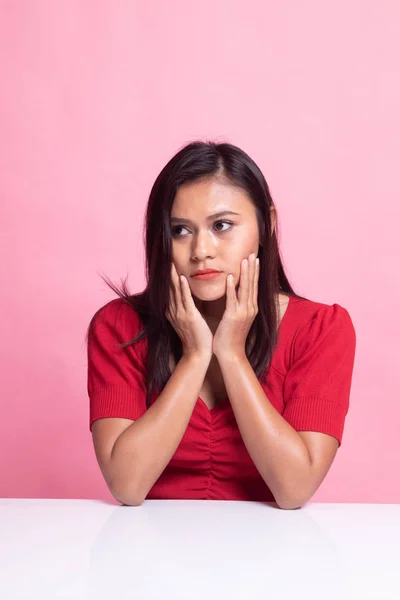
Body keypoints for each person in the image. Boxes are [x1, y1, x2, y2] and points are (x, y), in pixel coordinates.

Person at [85, 140, 356, 509]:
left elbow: (294, 489)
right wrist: (195, 355)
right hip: (146, 555)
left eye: (222, 225)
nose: (201, 250)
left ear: (267, 224)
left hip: (276, 557)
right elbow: (126, 485)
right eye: (180, 230)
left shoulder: (320, 329)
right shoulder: (118, 326)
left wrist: (231, 354)